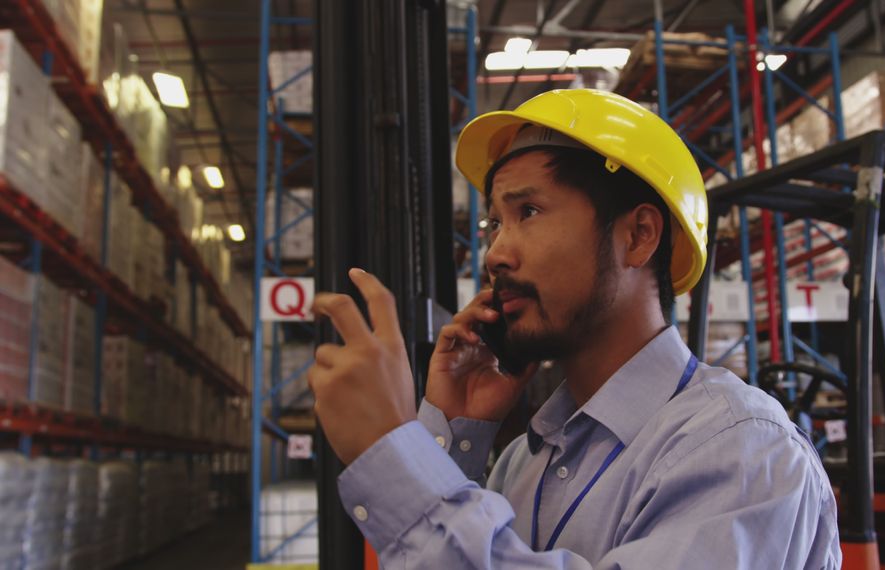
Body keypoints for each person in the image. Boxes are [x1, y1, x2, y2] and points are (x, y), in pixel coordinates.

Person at [307, 89, 840, 569]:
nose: (495, 253)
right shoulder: (523, 461)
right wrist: (456, 433)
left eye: (529, 211)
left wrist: (394, 452)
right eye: (494, 223)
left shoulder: (738, 449)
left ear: (638, 236)